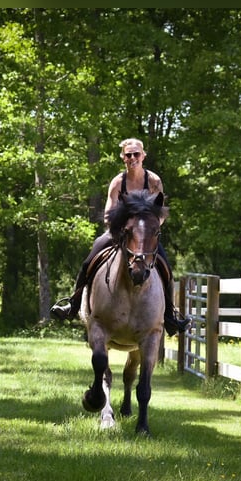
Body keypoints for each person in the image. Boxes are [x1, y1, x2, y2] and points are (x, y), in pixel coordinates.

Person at [50, 137, 190, 335]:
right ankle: (72, 305)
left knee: (166, 267)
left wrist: (147, 230)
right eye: (128, 154)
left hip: (145, 235)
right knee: (89, 259)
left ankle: (170, 316)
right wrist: (124, 230)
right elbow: (109, 213)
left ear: (143, 156)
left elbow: (159, 213)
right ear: (123, 157)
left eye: (136, 154)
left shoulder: (154, 181)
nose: (132, 158)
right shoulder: (118, 182)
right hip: (120, 233)